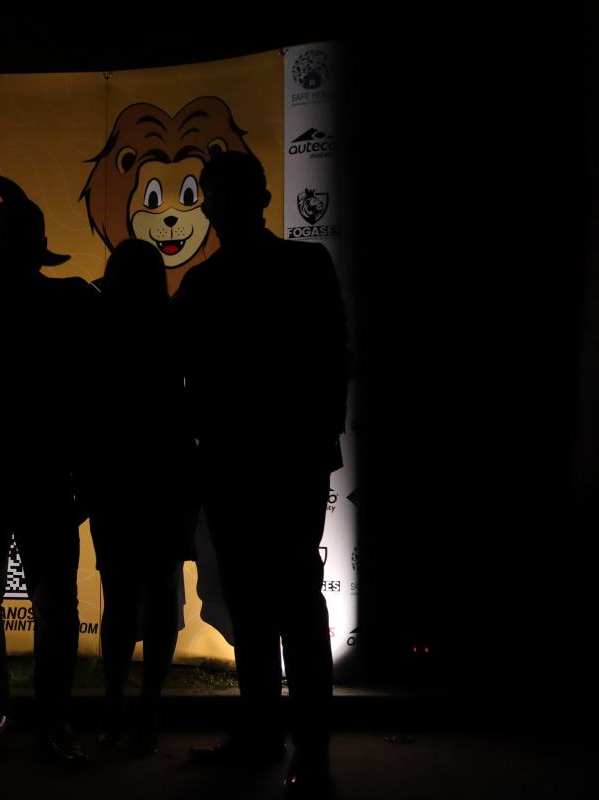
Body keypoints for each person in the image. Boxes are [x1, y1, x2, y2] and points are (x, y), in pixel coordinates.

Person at [173, 151, 350, 798]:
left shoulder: (213, 282)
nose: (221, 207)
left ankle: (293, 741)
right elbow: (333, 357)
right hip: (256, 461)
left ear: (257, 200)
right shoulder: (289, 267)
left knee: (281, 602)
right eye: (218, 195)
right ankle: (285, 738)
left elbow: (333, 358)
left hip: (260, 461)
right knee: (267, 602)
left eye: (227, 194)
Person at [0, 197, 98, 763]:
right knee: (35, 604)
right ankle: (37, 719)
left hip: (10, 476)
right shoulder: (69, 301)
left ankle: (11, 714)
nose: (16, 250)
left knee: (4, 603)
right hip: (17, 476)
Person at [88, 239, 196, 757]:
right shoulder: (174, 326)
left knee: (122, 597)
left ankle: (116, 705)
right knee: (157, 593)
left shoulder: (101, 330)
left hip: (118, 476)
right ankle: (146, 708)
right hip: (166, 474)